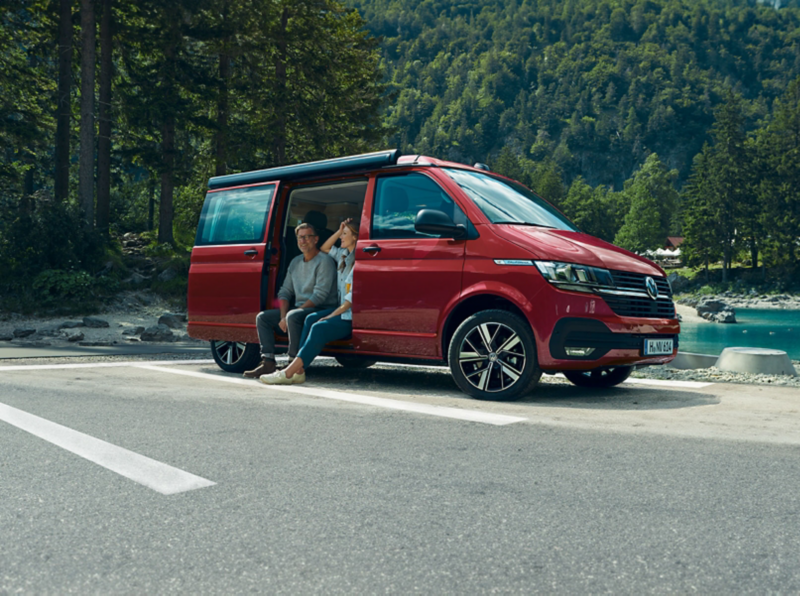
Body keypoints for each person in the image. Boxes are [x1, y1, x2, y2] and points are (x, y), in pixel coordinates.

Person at [260, 219, 358, 385]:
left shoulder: (356, 263)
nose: (341, 236)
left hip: (346, 313)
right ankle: (282, 365)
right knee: (304, 319)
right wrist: (339, 229)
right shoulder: (343, 257)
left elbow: (347, 301)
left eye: (344, 234)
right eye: (300, 237)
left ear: (355, 237)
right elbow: (326, 248)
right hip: (338, 310)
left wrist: (330, 316)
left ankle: (291, 370)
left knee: (317, 325)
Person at [243, 223, 338, 378]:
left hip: (322, 308)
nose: (303, 241)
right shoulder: (295, 262)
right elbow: (285, 292)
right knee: (263, 318)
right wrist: (282, 316)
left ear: (316, 239)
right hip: (300, 309)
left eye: (307, 237)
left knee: (293, 316)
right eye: (300, 237)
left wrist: (291, 313)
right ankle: (268, 362)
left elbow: (319, 295)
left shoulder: (325, 261)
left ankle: (293, 363)